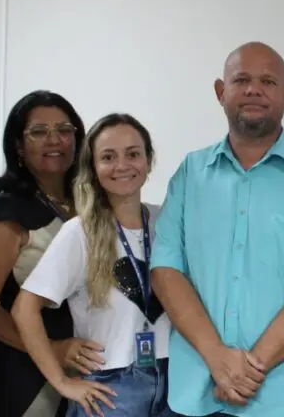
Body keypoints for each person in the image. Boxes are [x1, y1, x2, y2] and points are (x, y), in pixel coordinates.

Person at [151, 41, 284, 417]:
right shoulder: (189, 175)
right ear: (220, 91)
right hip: (196, 390)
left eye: (267, 81)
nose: (254, 89)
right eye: (241, 79)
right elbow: (166, 271)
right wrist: (217, 359)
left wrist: (250, 369)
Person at [12, 113, 171, 417]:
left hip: (172, 380)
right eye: (108, 157)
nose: (122, 165)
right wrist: (60, 381)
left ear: (148, 161)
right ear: (94, 168)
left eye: (133, 154)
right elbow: (24, 308)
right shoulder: (80, 231)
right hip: (113, 386)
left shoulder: (167, 220)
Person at [0, 90, 93, 417]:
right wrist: (53, 351)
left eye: (64, 130)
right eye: (39, 132)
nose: (54, 140)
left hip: (84, 365)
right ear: (18, 145)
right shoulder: (8, 212)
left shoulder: (89, 203)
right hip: (25, 375)